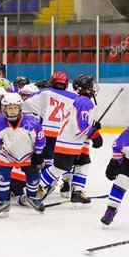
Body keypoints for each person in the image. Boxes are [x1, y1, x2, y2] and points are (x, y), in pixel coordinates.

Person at [39, 74, 103, 208]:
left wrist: (92, 127)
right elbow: (80, 125)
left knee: (84, 163)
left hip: (77, 141)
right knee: (59, 168)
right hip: (69, 141)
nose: (93, 87)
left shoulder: (81, 100)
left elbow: (80, 122)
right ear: (86, 88)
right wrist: (94, 134)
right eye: (91, 85)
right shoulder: (84, 102)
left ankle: (77, 193)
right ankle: (36, 188)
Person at [0, 93, 46, 218]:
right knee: (0, 174)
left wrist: (37, 154)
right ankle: (3, 202)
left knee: (33, 176)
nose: (12, 111)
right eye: (9, 108)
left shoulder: (32, 122)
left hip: (28, 154)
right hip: (8, 153)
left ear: (20, 108)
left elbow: (41, 140)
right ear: (4, 109)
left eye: (15, 108)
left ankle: (31, 197)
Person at [21, 71, 77, 170]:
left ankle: (44, 181)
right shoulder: (74, 97)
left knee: (44, 158)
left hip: (47, 132)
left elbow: (25, 104)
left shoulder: (46, 92)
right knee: (62, 161)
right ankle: (63, 180)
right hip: (64, 134)